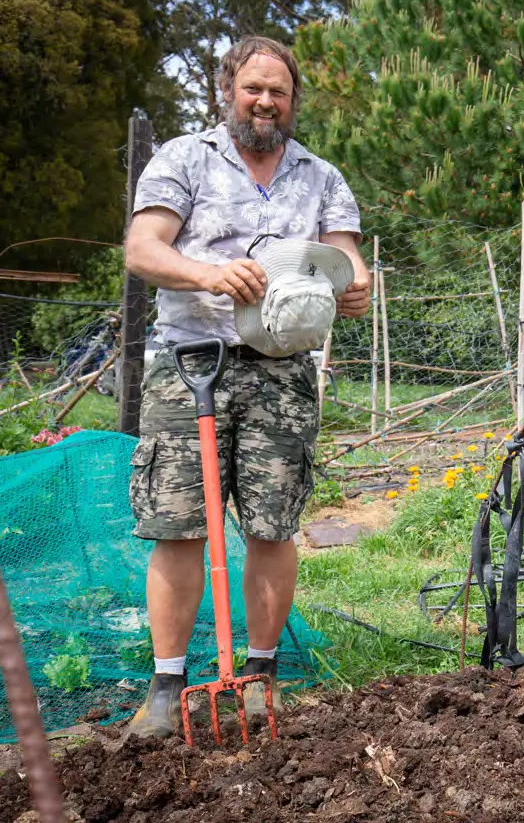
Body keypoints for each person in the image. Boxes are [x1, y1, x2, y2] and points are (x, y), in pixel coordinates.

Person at [122, 36, 371, 737]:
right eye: (254, 88)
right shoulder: (185, 158)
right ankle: (168, 688)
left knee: (273, 523)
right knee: (177, 527)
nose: (266, 102)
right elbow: (143, 249)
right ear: (229, 90)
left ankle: (259, 674)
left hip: (283, 369)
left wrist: (353, 283)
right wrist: (208, 274)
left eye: (279, 92)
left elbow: (343, 251)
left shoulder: (319, 175)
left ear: (293, 102)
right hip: (190, 360)